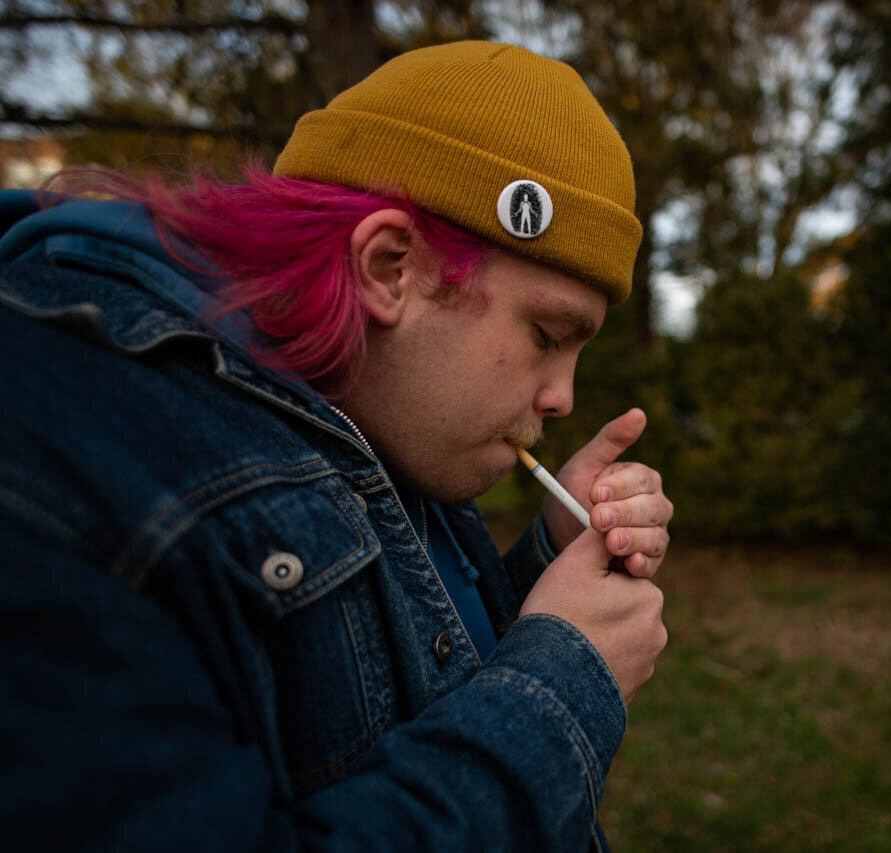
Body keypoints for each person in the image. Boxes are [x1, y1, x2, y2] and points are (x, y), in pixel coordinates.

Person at [0, 40, 672, 851]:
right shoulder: (63, 436)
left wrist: (545, 564)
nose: (562, 395)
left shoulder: (371, 405)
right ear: (389, 267)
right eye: (547, 334)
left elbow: (398, 668)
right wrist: (563, 685)